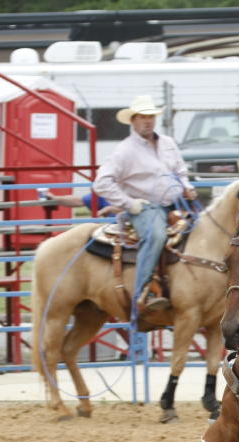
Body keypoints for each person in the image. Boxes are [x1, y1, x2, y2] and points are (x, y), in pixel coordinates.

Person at [93, 95, 196, 316]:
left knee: (203, 230)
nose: (148, 121)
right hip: (146, 207)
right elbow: (101, 182)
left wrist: (186, 185)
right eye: (142, 117)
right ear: (133, 120)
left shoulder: (167, 143)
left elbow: (180, 170)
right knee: (156, 235)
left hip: (174, 201)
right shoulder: (125, 150)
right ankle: (144, 291)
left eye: (151, 116)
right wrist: (129, 204)